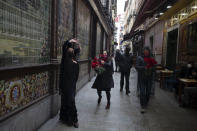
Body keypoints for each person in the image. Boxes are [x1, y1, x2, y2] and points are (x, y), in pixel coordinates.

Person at [59, 38, 81, 128]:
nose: (71, 49)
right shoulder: (64, 61)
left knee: (71, 102)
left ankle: (75, 120)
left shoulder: (75, 62)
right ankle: (66, 119)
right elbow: (64, 46)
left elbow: (76, 77)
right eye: (70, 48)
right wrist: (69, 41)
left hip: (71, 85)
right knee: (65, 101)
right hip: (64, 84)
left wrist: (77, 44)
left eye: (72, 48)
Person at [136, 47, 157, 113]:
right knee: (142, 92)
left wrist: (150, 68)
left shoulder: (152, 58)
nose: (146, 52)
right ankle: (143, 106)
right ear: (143, 51)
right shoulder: (139, 58)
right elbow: (137, 66)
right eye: (145, 51)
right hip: (141, 78)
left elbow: (155, 67)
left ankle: (146, 102)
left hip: (149, 78)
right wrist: (144, 68)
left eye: (147, 51)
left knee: (148, 93)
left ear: (149, 51)